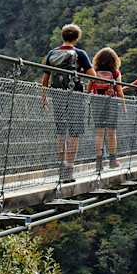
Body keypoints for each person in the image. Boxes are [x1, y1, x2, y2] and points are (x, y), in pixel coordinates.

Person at [41, 23, 96, 182]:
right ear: (77, 37)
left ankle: (61, 167)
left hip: (57, 94)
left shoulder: (52, 53)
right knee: (74, 132)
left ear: (62, 36)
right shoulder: (80, 53)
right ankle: (69, 170)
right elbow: (92, 75)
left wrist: (43, 96)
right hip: (75, 95)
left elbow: (46, 77)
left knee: (60, 132)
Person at [87, 47, 125, 172]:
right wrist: (124, 105)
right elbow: (119, 90)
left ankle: (99, 163)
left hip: (96, 102)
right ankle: (113, 161)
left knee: (99, 133)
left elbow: (89, 88)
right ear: (114, 60)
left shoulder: (94, 71)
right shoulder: (115, 73)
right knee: (111, 133)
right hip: (111, 102)